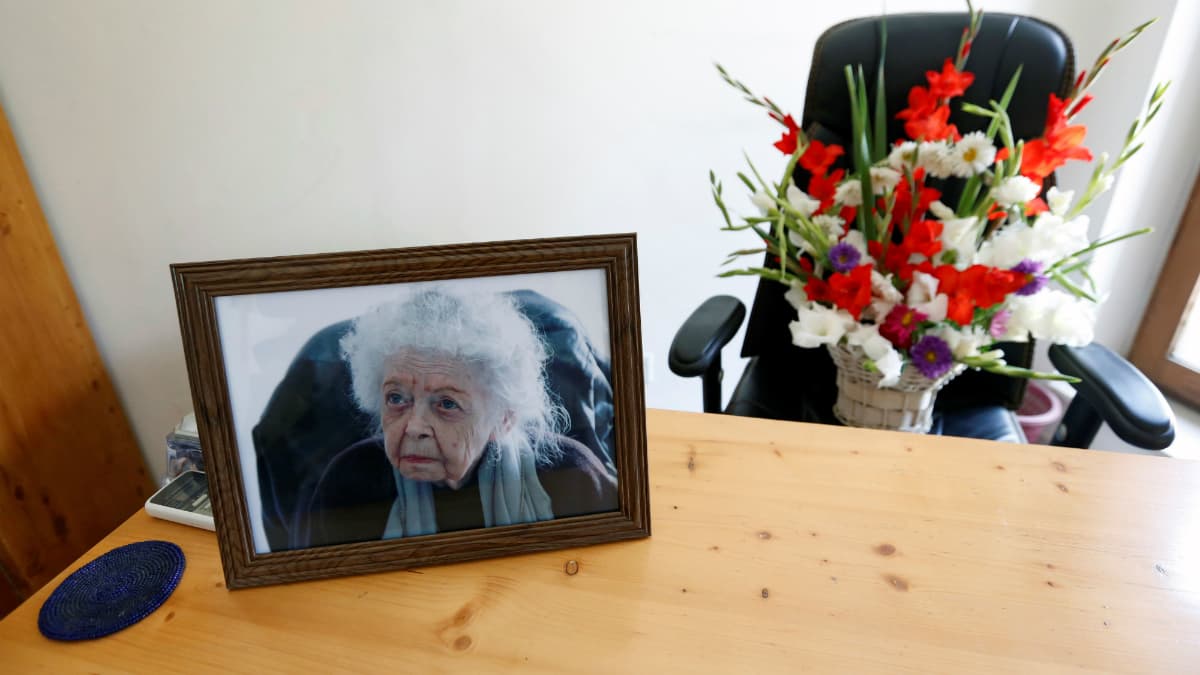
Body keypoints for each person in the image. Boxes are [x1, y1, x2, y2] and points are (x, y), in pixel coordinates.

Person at [302, 286, 618, 548]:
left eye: (447, 404)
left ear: (504, 418)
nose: (413, 428)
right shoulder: (348, 482)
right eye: (396, 399)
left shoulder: (569, 476)